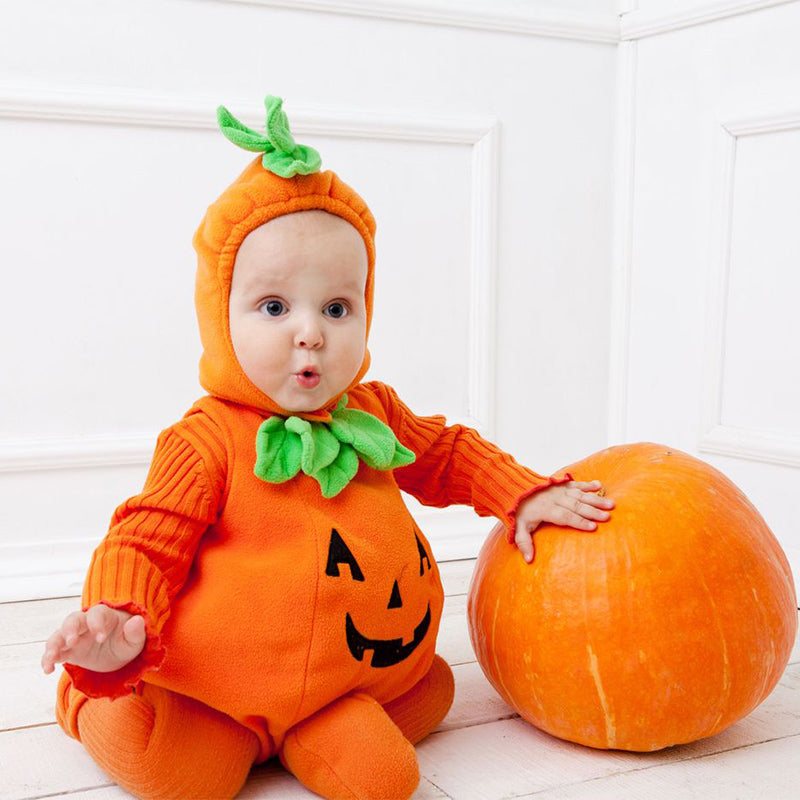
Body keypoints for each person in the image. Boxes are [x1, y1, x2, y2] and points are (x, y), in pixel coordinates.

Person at [40, 96, 615, 800]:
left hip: (342, 678)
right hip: (216, 689)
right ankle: (91, 698)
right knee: (187, 780)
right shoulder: (206, 440)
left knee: (389, 770)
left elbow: (448, 453)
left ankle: (318, 722)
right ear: (221, 317)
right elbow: (144, 541)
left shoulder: (373, 413)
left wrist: (523, 493)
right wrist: (118, 618)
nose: (310, 333)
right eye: (275, 307)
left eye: (336, 307)